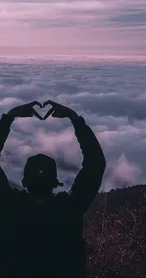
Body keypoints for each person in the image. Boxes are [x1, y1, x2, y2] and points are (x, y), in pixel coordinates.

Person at [0, 100, 106, 277]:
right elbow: (95, 163)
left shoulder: (10, 207)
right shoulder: (69, 210)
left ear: (24, 181)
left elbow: (95, 164)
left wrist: (9, 117)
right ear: (55, 182)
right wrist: (74, 119)